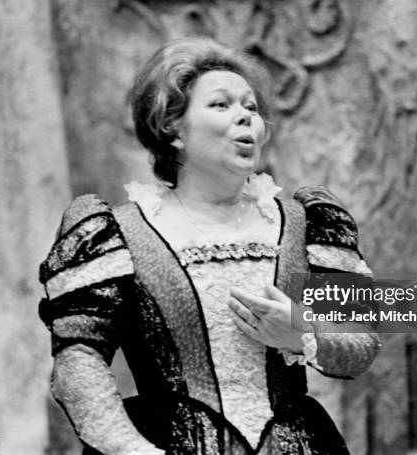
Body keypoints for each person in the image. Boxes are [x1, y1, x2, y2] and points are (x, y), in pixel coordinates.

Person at [38, 37, 380, 455]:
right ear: (172, 127)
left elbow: (363, 341)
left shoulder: (308, 222)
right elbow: (79, 361)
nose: (245, 119)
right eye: (222, 105)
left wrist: (301, 334)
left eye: (251, 108)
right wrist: (132, 449)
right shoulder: (115, 232)